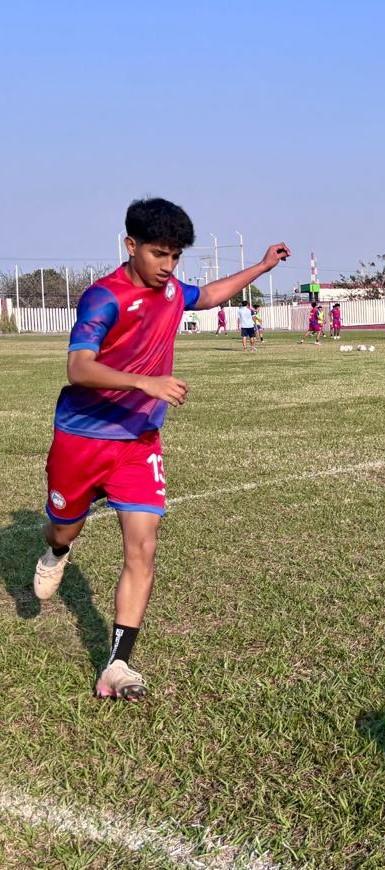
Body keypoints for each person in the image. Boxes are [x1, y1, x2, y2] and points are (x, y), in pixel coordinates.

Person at [32, 197, 290, 700]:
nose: (168, 267)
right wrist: (143, 384)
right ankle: (57, 549)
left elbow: (211, 295)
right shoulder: (102, 298)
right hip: (82, 436)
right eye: (158, 254)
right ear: (130, 246)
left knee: (143, 546)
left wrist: (261, 265)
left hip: (138, 441)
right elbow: (78, 368)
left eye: (175, 256)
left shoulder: (171, 290)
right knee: (64, 522)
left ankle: (116, 665)